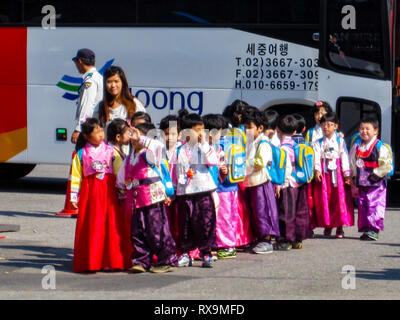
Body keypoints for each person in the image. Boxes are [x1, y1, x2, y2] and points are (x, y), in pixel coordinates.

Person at [70, 118, 132, 273]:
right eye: (95, 131)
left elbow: (120, 174)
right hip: (89, 195)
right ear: (86, 135)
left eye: (100, 130)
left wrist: (124, 191)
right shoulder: (80, 154)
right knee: (91, 227)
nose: (100, 134)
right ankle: (92, 261)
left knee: (111, 227)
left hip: (108, 194)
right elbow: (76, 177)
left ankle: (111, 261)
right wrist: (73, 197)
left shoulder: (111, 152)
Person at [117, 122, 178, 273]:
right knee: (137, 231)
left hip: (152, 198)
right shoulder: (130, 156)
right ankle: (141, 260)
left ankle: (167, 260)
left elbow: (158, 147)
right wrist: (121, 188)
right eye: (132, 137)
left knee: (157, 230)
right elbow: (121, 176)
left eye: (137, 137)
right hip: (135, 199)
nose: (133, 140)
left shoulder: (150, 154)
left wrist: (143, 139)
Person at [170, 110, 219, 268]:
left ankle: (206, 253)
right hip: (185, 192)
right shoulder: (179, 149)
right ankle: (185, 253)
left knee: (205, 222)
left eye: (201, 129)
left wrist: (204, 142)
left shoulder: (204, 147)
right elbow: (173, 172)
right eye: (197, 130)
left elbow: (212, 161)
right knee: (185, 224)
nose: (200, 133)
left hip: (203, 190)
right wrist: (172, 190)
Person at [242, 107, 280, 254]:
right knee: (255, 212)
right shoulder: (251, 141)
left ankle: (267, 240)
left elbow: (260, 162)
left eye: (249, 127)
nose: (247, 131)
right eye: (245, 128)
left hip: (261, 183)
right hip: (251, 182)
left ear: (261, 127)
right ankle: (259, 238)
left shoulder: (263, 143)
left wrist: (243, 165)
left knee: (264, 211)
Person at [311, 112, 354, 238]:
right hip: (325, 174)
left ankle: (339, 227)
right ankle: (328, 224)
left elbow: (344, 156)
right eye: (324, 124)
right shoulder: (318, 142)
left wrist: (346, 173)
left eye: (329, 125)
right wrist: (317, 170)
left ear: (335, 126)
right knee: (325, 199)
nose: (326, 127)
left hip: (338, 174)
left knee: (339, 199)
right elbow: (316, 158)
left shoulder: (340, 140)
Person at [349, 117, 393, 241]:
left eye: (367, 129)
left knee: (375, 205)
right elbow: (352, 162)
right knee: (363, 205)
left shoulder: (380, 146)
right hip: (362, 182)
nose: (364, 131)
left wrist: (377, 174)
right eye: (362, 128)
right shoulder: (357, 146)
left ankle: (374, 230)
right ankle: (366, 228)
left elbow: (386, 164)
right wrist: (353, 175)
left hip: (376, 183)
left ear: (376, 131)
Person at [203, 114, 239, 259]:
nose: (216, 135)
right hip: (218, 188)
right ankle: (222, 244)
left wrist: (224, 170)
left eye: (218, 131)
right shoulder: (208, 148)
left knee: (225, 217)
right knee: (222, 217)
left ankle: (227, 245)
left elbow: (223, 165)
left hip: (222, 188)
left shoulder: (218, 148)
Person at [275, 115, 310, 250]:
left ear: (278, 130)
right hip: (299, 182)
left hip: (288, 184)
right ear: (295, 131)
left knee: (286, 212)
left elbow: (284, 169)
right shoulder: (298, 145)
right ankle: (297, 238)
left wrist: (279, 184)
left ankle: (286, 240)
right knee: (299, 211)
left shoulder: (282, 148)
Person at [71, 49, 104, 144]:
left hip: (90, 127)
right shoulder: (97, 76)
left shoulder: (90, 80)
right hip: (95, 125)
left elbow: (87, 104)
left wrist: (79, 128)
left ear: (79, 61)